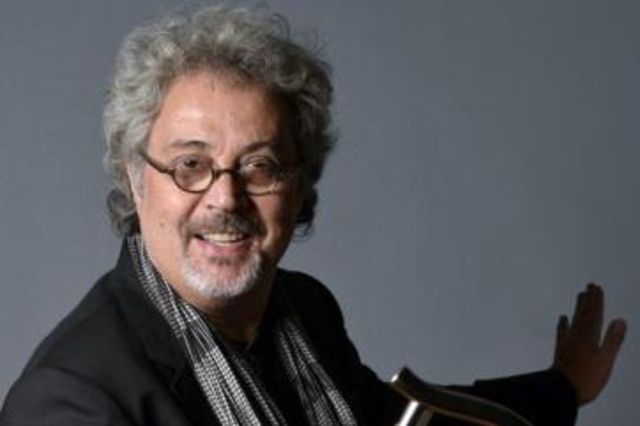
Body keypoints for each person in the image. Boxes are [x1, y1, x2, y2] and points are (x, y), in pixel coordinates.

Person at [0, 6, 626, 425]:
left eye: (260, 166)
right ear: (137, 181)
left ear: (299, 186)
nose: (225, 198)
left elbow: (404, 419)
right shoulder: (71, 402)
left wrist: (561, 387)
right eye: (190, 165)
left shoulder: (302, 311)